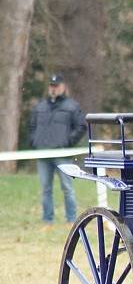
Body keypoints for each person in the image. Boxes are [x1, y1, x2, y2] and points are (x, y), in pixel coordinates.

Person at [28, 74, 86, 223]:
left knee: (67, 188)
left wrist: (68, 142)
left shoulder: (72, 106)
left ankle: (72, 220)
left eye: (56, 86)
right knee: (46, 189)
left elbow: (81, 126)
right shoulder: (40, 106)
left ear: (63, 87)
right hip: (43, 154)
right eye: (51, 86)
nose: (53, 89)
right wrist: (35, 141)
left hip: (62, 154)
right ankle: (48, 220)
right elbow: (31, 126)